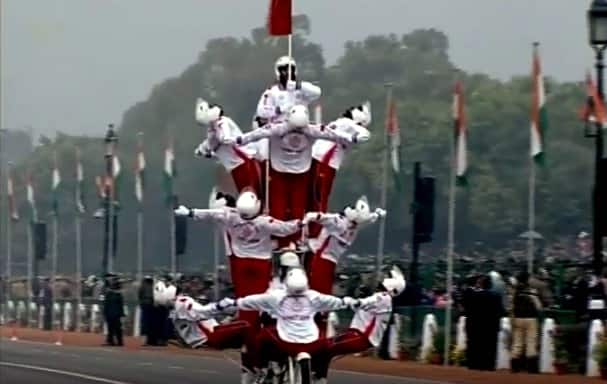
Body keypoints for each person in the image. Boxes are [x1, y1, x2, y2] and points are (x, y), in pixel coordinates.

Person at [174, 189, 304, 371]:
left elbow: (211, 214)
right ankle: (254, 354)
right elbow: (285, 228)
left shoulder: (234, 217)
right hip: (251, 264)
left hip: (249, 264)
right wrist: (301, 222)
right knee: (249, 310)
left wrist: (191, 212)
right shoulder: (257, 221)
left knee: (254, 307)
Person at [233, 105, 366, 247]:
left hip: (301, 172)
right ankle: (279, 239)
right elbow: (259, 133)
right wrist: (242, 139)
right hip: (278, 170)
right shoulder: (278, 128)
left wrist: (352, 137)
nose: (297, 132)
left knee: (298, 206)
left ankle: (295, 239)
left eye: (300, 129)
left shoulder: (311, 129)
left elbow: (331, 134)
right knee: (278, 205)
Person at [218, 267, 361, 383]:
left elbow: (251, 301)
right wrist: (350, 302)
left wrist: (235, 302)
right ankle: (316, 375)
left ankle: (264, 369)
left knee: (262, 337)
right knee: (324, 345)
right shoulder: (311, 296)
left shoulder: (278, 295)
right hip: (301, 336)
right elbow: (337, 302)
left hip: (286, 337)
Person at [313, 266, 406, 383]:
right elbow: (364, 305)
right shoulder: (381, 298)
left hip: (361, 337)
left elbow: (365, 303)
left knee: (323, 347)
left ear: (393, 284)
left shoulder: (384, 298)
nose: (383, 278)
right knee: (326, 351)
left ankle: (314, 376)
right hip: (356, 336)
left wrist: (356, 301)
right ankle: (319, 378)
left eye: (388, 277)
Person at [309, 104, 372, 238]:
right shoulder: (345, 123)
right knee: (319, 198)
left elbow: (364, 135)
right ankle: (313, 232)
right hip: (323, 162)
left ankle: (312, 230)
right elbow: (365, 135)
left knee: (315, 197)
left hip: (320, 160)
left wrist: (348, 138)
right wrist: (349, 138)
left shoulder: (343, 124)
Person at [303, 196, 386, 294]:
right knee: (318, 290)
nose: (355, 226)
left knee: (327, 290)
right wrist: (304, 227)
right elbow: (313, 216)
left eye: (357, 224)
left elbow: (369, 219)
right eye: (354, 223)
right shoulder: (337, 221)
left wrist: (378, 214)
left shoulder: (357, 224)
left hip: (333, 261)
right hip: (321, 257)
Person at [194, 99, 261, 195]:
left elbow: (224, 138)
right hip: (235, 167)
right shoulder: (212, 128)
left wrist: (218, 137)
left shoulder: (223, 122)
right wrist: (201, 150)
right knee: (243, 193)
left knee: (251, 194)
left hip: (243, 162)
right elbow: (210, 143)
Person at [511, 271, 542, 373]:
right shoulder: (531, 290)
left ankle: (515, 367)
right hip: (530, 318)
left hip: (518, 318)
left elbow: (511, 305)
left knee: (517, 343)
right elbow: (538, 306)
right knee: (531, 343)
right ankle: (531, 368)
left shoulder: (515, 291)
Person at [103, 275, 124, 346]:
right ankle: (113, 341)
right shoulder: (114, 293)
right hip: (113, 312)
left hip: (114, 312)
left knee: (115, 328)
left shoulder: (115, 293)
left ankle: (116, 341)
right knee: (113, 328)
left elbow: (119, 303)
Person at [138, 276, 155, 345]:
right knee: (151, 323)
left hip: (145, 305)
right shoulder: (153, 287)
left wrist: (141, 302)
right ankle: (151, 340)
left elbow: (139, 295)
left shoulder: (142, 286)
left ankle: (146, 340)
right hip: (152, 305)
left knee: (145, 323)